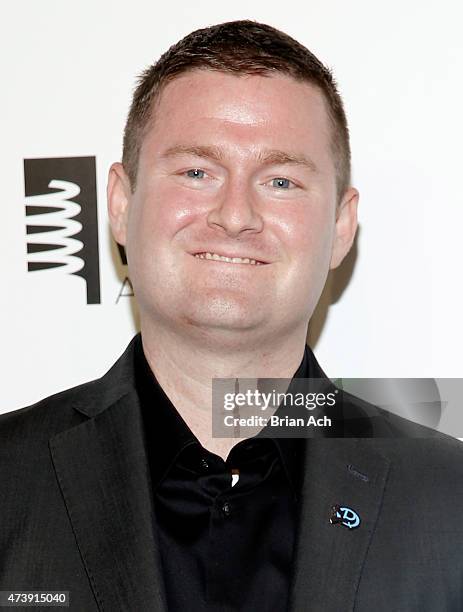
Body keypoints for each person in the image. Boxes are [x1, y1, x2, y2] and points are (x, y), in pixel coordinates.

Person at [1, 19, 463, 612]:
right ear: (120, 205)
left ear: (342, 228)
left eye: (280, 180)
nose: (236, 214)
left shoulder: (448, 502)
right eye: (197, 172)